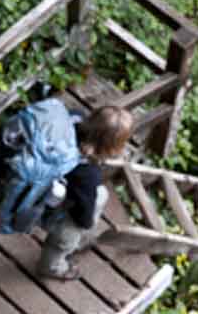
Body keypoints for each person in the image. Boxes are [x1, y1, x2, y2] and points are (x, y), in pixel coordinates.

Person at [37, 105, 134, 281]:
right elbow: (82, 215)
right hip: (42, 203)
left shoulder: (74, 116)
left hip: (39, 177)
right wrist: (87, 224)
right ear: (109, 147)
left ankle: (74, 244)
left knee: (99, 194)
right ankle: (53, 267)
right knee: (70, 232)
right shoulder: (87, 173)